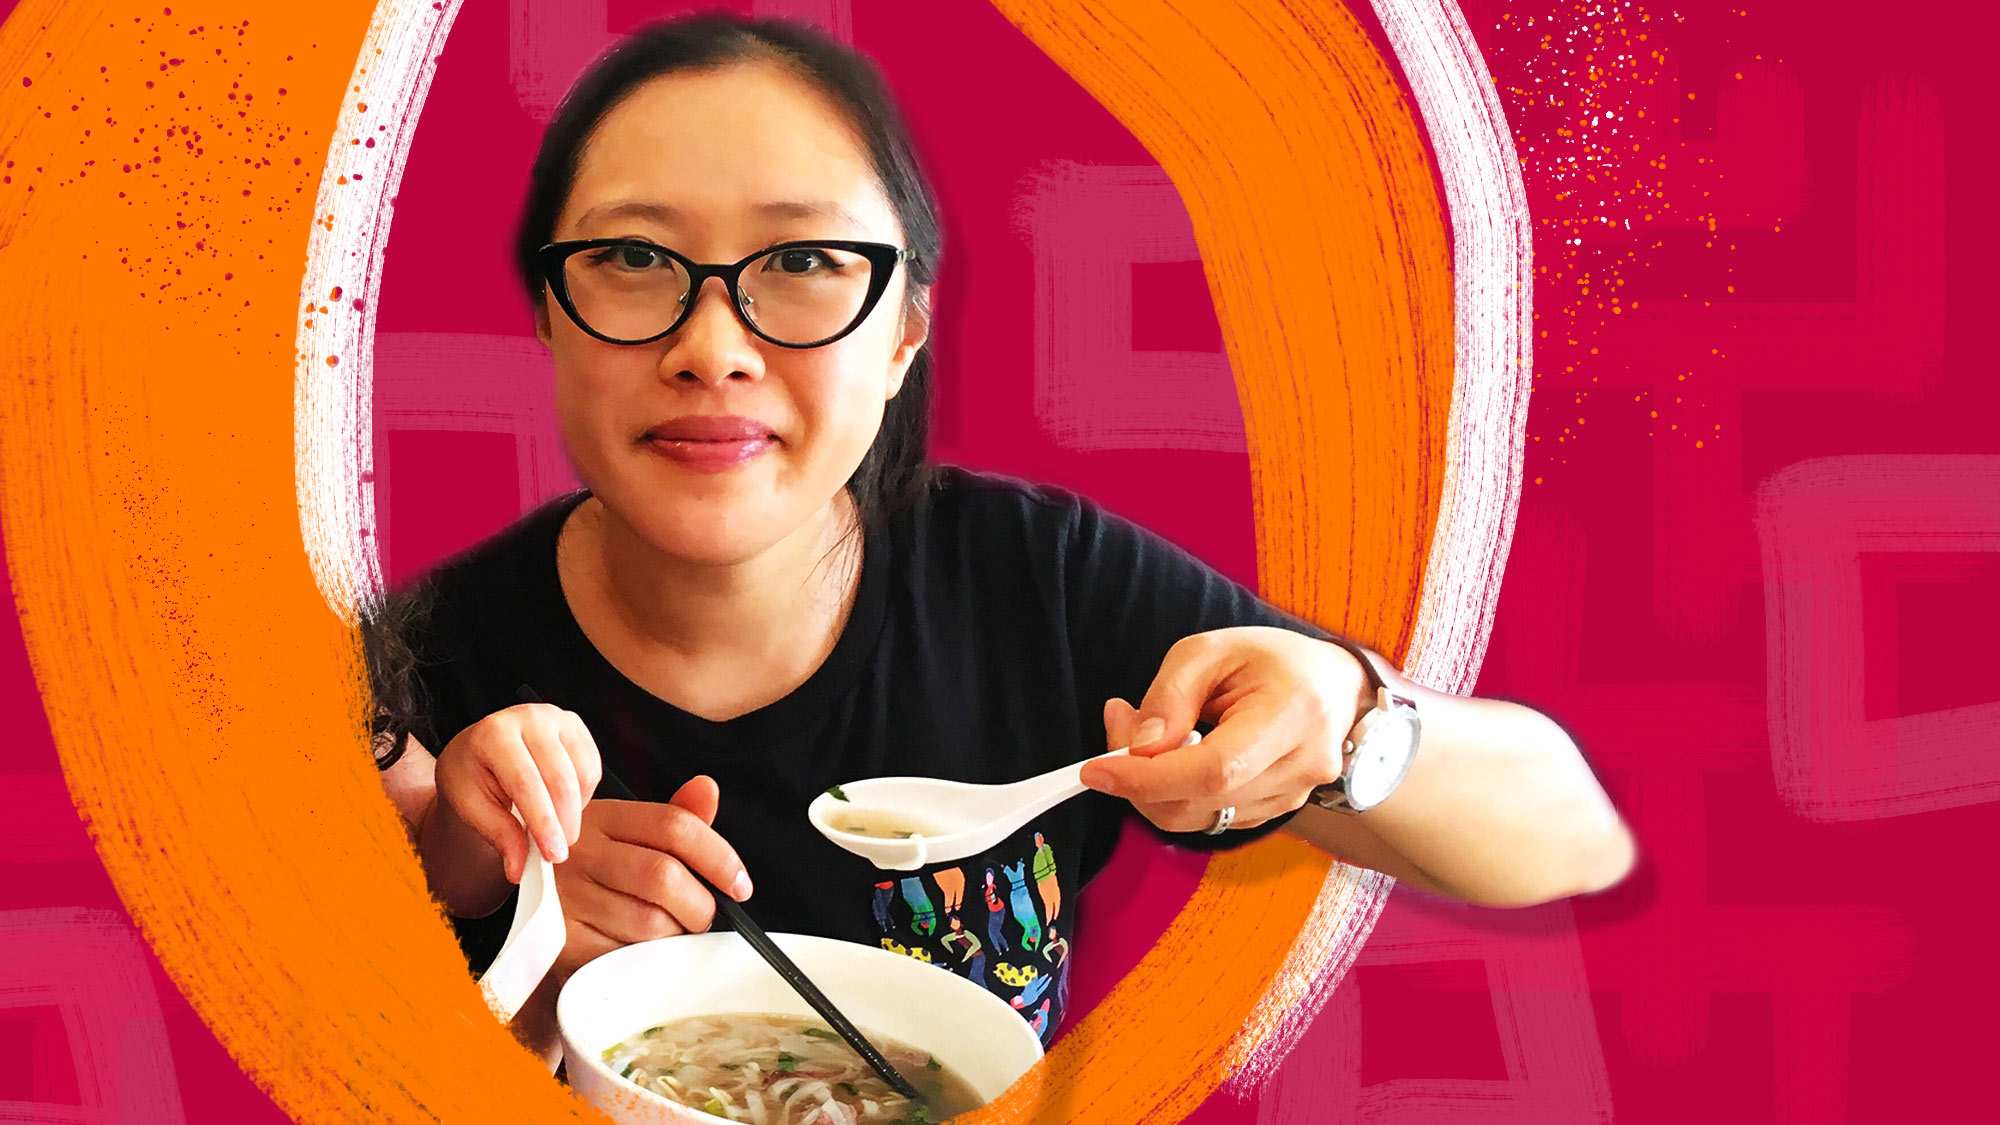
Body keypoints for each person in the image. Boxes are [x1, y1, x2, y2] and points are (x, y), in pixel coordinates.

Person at [367, 12, 1636, 1058]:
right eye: (635, 258)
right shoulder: (411, 669)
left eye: (804, 260)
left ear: (905, 329)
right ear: (550, 310)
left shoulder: (1035, 586)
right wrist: (496, 920)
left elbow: (1568, 833)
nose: (711, 347)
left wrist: (1353, 724)